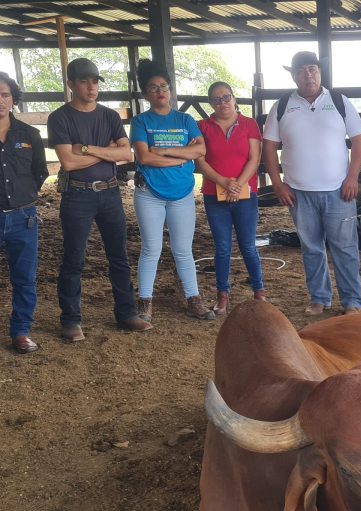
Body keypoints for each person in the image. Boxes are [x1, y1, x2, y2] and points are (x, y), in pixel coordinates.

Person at [48, 58, 152, 342]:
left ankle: (127, 313)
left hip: (109, 192)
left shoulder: (109, 116)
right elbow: (68, 162)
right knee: (74, 258)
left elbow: (127, 155)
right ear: (71, 84)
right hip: (77, 194)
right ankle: (70, 319)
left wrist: (86, 149)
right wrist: (106, 151)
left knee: (118, 255)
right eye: (84, 81)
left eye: (95, 81)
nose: (91, 87)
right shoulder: (60, 117)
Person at [263, 51, 361, 316]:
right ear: (294, 75)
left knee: (345, 246)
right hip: (298, 192)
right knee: (311, 247)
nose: (308, 75)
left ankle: (352, 300)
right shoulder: (283, 105)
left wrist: (352, 176)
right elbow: (269, 146)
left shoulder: (339, 101)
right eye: (301, 70)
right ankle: (319, 298)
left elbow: (359, 140)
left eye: (312, 69)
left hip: (338, 190)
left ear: (319, 71)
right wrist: (277, 183)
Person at [130, 58, 214, 322]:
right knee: (151, 248)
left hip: (182, 193)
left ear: (170, 90)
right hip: (150, 194)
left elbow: (200, 150)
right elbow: (144, 158)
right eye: (153, 87)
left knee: (183, 249)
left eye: (164, 86)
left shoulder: (185, 119)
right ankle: (144, 301)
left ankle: (193, 298)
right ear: (146, 94)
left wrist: (164, 151)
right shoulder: (141, 121)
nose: (160, 91)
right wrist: (181, 157)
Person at [197, 81, 266, 316]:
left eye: (226, 97)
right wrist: (222, 181)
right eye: (216, 99)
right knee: (222, 247)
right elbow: (200, 160)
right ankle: (222, 295)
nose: (222, 103)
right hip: (213, 194)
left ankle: (259, 292)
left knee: (248, 245)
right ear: (210, 104)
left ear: (234, 98)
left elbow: (254, 158)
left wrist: (239, 184)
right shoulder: (202, 127)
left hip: (246, 193)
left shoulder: (249, 124)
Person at [0, 72, 47, 354]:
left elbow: (39, 171)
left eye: (4, 94)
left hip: (23, 217)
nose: (0, 101)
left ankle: (20, 331)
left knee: (24, 277)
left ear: (13, 98)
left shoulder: (29, 135)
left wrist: (24, 196)